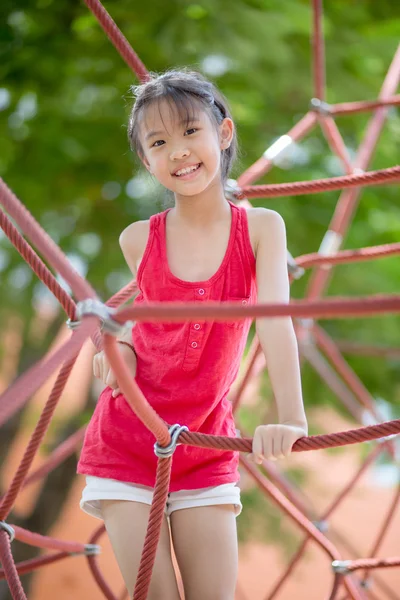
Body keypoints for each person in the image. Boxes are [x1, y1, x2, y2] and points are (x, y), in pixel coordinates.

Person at [77, 69, 308, 600]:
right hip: (128, 440)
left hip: (205, 445)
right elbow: (145, 320)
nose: (178, 151)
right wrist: (123, 349)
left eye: (189, 132)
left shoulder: (262, 228)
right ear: (146, 161)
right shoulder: (139, 239)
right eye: (158, 143)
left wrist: (291, 414)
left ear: (223, 134)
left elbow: (276, 319)